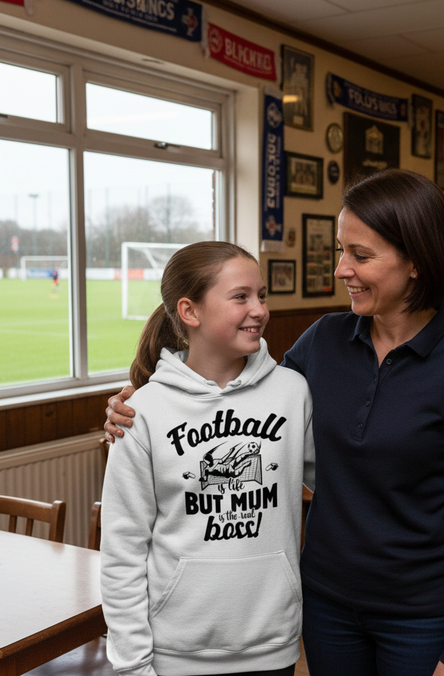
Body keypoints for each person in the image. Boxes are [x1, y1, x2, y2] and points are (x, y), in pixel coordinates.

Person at [106, 169, 444, 676]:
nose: (342, 269)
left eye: (360, 256)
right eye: (342, 251)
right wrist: (139, 396)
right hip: (326, 606)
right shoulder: (324, 342)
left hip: (419, 614)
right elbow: (240, 397)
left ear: (415, 262)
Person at [101, 241, 316, 676]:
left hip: (273, 647)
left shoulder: (293, 392)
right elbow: (122, 552)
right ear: (189, 311)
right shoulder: (140, 412)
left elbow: (348, 480)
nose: (259, 309)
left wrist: (433, 492)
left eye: (262, 296)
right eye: (241, 297)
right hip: (175, 656)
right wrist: (132, 666)